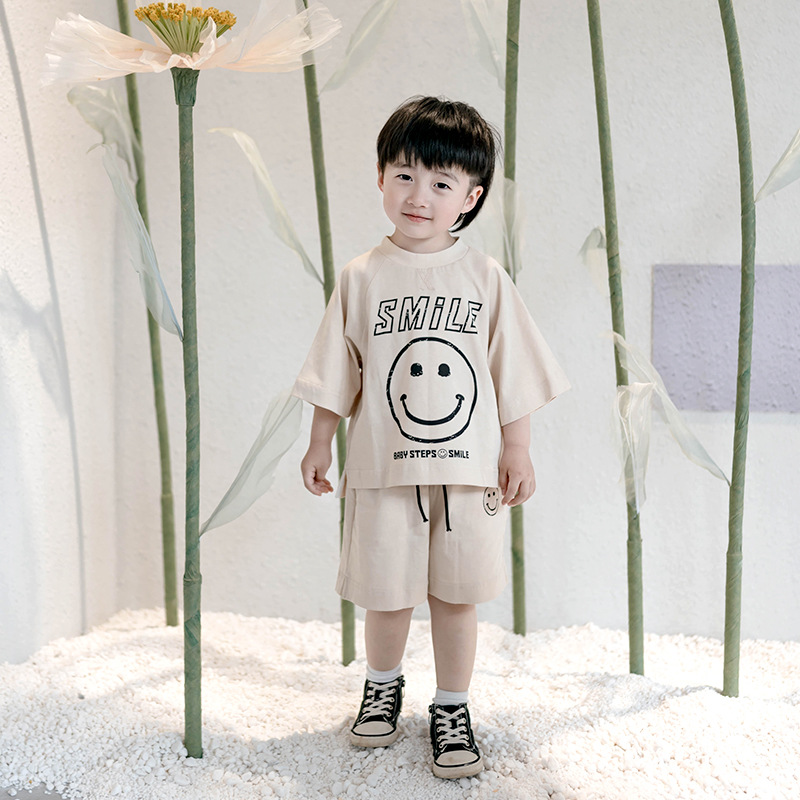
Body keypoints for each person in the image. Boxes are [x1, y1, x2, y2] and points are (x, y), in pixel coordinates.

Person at [292, 96, 569, 780]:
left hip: (468, 474)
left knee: (455, 594)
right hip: (383, 469)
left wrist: (517, 448)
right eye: (406, 175)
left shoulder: (484, 277)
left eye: (442, 183)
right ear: (381, 178)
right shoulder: (362, 276)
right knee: (385, 593)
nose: (420, 196)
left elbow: (512, 370)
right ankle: (381, 688)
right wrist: (320, 442)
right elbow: (337, 369)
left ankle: (452, 706)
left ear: (470, 198)